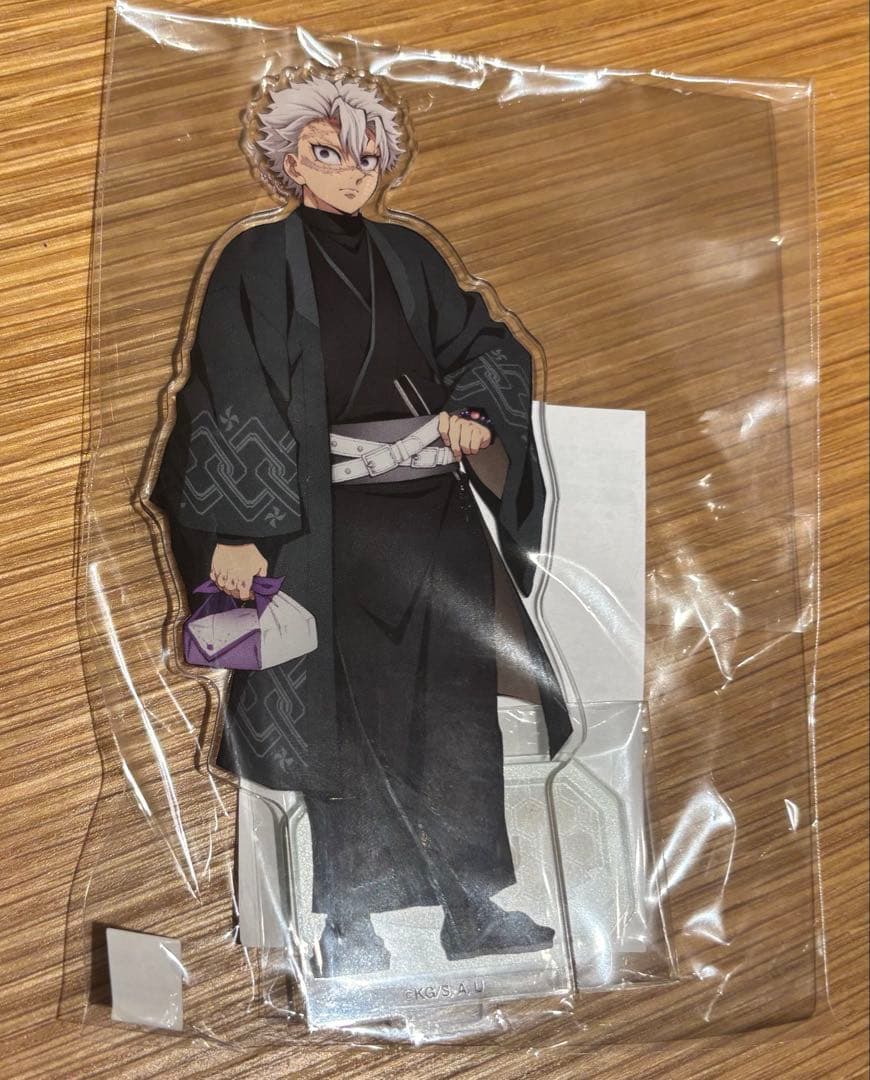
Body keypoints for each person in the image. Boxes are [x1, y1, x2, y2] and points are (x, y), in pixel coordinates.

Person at [151, 76, 573, 977]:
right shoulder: (256, 262)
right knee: (342, 724)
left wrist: (474, 413)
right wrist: (236, 526)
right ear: (289, 160)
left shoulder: (409, 255)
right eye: (328, 153)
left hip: (434, 521)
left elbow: (487, 346)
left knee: (456, 714)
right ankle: (348, 920)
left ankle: (473, 906)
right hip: (323, 530)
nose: (352, 174)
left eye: (369, 158)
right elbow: (228, 388)